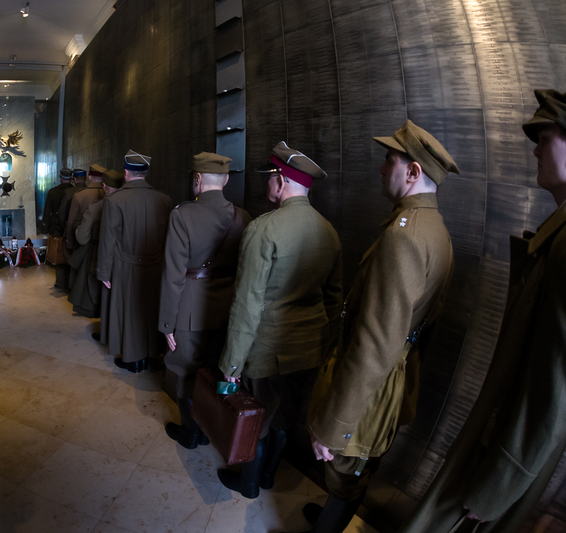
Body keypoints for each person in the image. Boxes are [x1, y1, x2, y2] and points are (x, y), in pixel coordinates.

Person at [399, 90, 566, 533]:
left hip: (504, 456)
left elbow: (556, 383)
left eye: (545, 137)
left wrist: (499, 483)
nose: (535, 148)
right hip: (503, 443)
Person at [303, 120, 459, 533]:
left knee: (346, 468)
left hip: (371, 382)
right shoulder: (436, 232)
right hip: (392, 377)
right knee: (358, 467)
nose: (379, 168)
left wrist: (333, 425)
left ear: (412, 172)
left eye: (388, 159)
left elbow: (374, 343)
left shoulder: (404, 237)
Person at [217, 142, 342, 499]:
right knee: (288, 417)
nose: (266, 185)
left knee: (260, 419)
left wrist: (232, 362)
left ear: (281, 180)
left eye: (269, 178)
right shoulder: (328, 232)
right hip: (310, 349)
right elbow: (334, 300)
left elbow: (247, 303)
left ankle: (249, 483)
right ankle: (269, 475)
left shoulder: (263, 229)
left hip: (267, 350)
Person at [159, 152, 251, 449]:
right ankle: (216, 427)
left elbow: (173, 275)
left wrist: (167, 322)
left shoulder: (182, 215)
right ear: (225, 180)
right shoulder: (243, 216)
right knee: (219, 368)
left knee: (185, 370)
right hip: (227, 310)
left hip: (189, 310)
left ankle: (192, 431)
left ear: (197, 179)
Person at [97, 150, 171, 372]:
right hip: (156, 265)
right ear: (144, 173)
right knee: (149, 309)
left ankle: (133, 358)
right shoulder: (164, 199)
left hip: (125, 265)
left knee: (129, 313)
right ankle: (149, 355)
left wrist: (104, 272)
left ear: (126, 172)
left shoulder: (115, 200)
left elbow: (108, 240)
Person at [76, 169, 123, 342]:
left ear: (105, 186)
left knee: (104, 295)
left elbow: (82, 238)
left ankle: (106, 332)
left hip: (99, 256)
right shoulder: (127, 204)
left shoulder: (96, 208)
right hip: (125, 260)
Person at [67, 163, 107, 316]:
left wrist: (69, 243)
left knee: (83, 278)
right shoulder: (109, 195)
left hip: (86, 241)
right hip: (105, 244)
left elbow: (71, 222)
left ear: (90, 176)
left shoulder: (80, 195)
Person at [43, 168, 73, 289]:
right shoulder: (74, 191)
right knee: (69, 253)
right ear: (70, 179)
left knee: (58, 254)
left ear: (60, 178)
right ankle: (70, 282)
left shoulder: (52, 192)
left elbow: (47, 212)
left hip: (56, 228)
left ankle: (60, 282)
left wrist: (45, 228)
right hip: (70, 227)